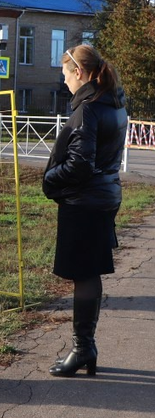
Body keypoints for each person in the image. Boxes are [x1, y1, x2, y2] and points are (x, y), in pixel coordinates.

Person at [43, 45, 127, 377]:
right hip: (103, 196)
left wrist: (50, 179)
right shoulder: (113, 103)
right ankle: (85, 348)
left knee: (84, 274)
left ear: (79, 72)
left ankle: (82, 349)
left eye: (65, 74)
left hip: (85, 200)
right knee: (89, 272)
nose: (64, 82)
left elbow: (79, 164)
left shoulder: (89, 109)